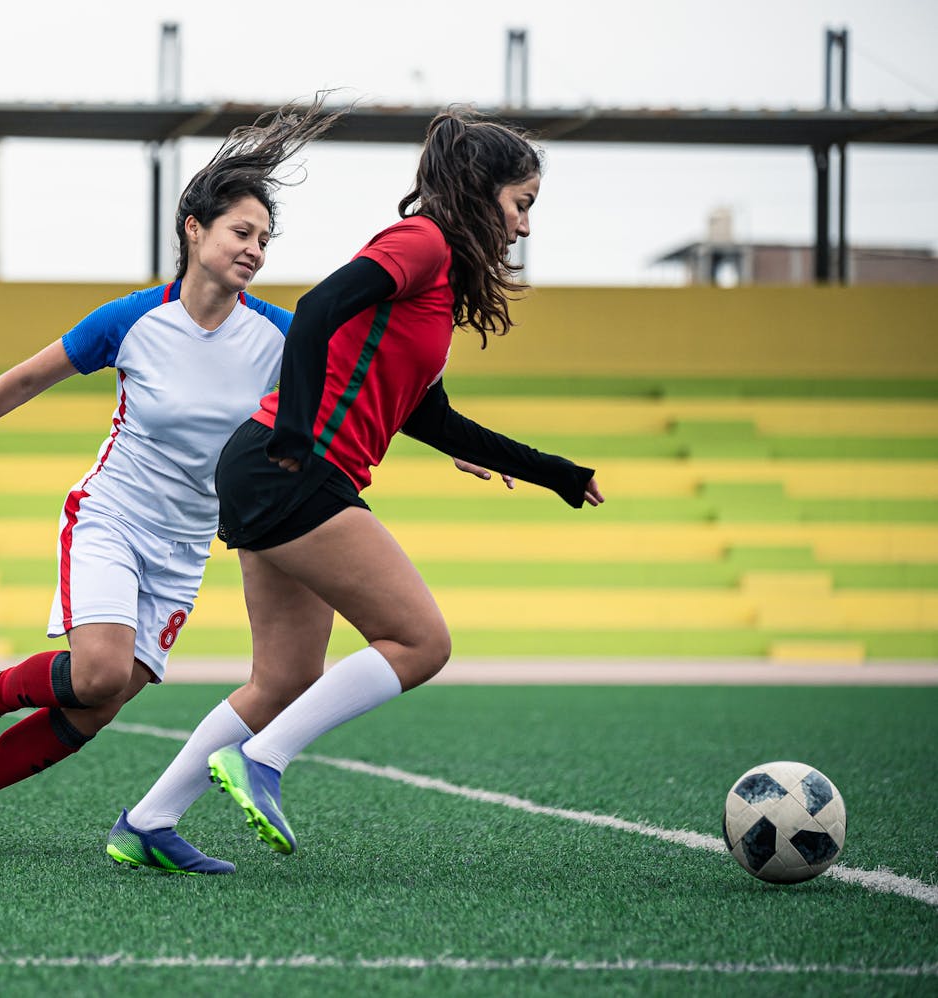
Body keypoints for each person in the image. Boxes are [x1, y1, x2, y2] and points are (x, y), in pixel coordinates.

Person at [113, 107, 605, 868]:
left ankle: (147, 821)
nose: (525, 227)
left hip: (275, 470)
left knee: (284, 677)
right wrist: (296, 437)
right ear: (483, 192)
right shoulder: (423, 242)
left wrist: (558, 476)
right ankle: (262, 761)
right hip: (292, 467)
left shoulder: (436, 282)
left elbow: (430, 418)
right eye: (521, 204)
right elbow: (315, 312)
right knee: (420, 640)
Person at [0, 98, 346, 868]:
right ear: (193, 230)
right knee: (97, 669)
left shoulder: (277, 334)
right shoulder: (135, 319)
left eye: (265, 240)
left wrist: (465, 446)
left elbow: (360, 393)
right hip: (113, 516)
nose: (255, 250)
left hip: (186, 544)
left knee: (99, 703)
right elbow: (25, 378)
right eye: (242, 232)